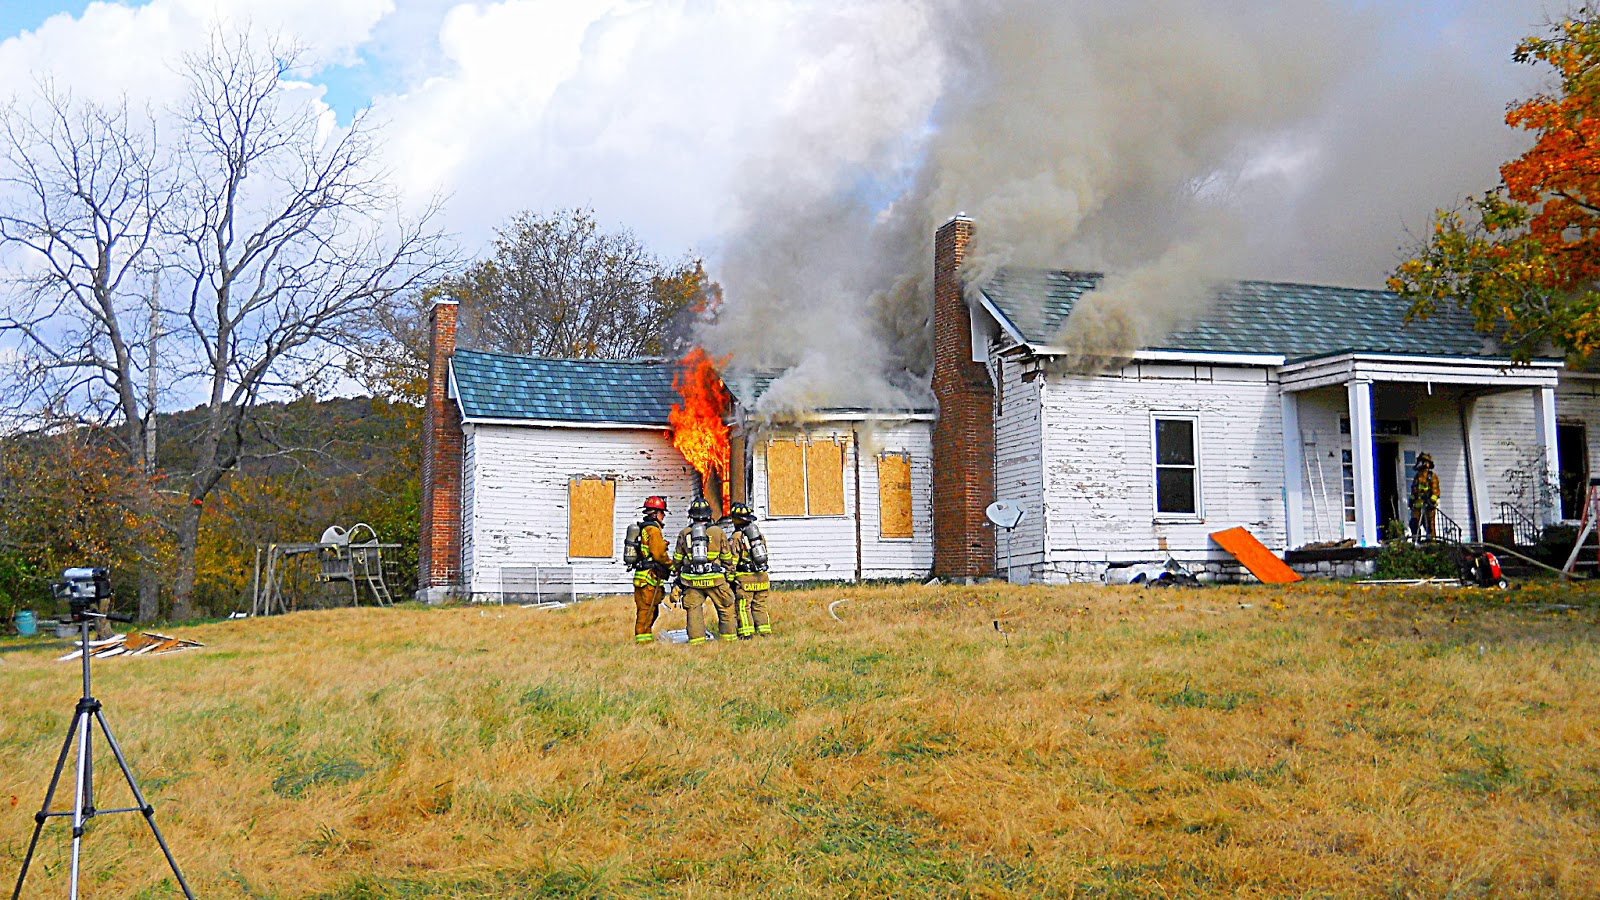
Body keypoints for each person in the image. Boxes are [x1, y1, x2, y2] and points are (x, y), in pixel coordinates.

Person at [673, 497, 737, 644]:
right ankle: (729, 641)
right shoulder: (717, 532)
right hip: (716, 580)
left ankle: (697, 642)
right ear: (709, 515)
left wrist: (676, 572)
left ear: (692, 515)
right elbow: (727, 556)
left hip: (692, 581)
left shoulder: (685, 533)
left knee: (693, 611)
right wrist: (730, 573)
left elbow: (677, 558)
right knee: (726, 608)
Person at [627, 496, 673, 643]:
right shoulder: (653, 530)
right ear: (655, 514)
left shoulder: (643, 528)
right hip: (649, 578)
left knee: (649, 610)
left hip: (642, 576)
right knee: (646, 611)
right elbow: (658, 554)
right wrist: (671, 565)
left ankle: (645, 639)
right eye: (662, 513)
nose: (663, 516)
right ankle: (643, 643)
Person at [727, 502, 772, 637]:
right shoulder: (759, 536)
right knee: (760, 606)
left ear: (736, 519)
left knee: (743, 607)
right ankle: (764, 631)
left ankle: (746, 633)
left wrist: (729, 578)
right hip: (762, 577)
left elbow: (733, 560)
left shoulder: (737, 537)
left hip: (745, 579)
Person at [1408, 452, 1440, 541]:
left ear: (1427, 464)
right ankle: (1416, 540)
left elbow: (1436, 492)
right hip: (1418, 506)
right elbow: (1414, 491)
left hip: (1428, 505)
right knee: (1414, 523)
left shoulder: (1432, 477)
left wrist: (1431, 501)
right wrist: (1411, 500)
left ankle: (1431, 542)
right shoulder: (1417, 477)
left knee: (1429, 525)